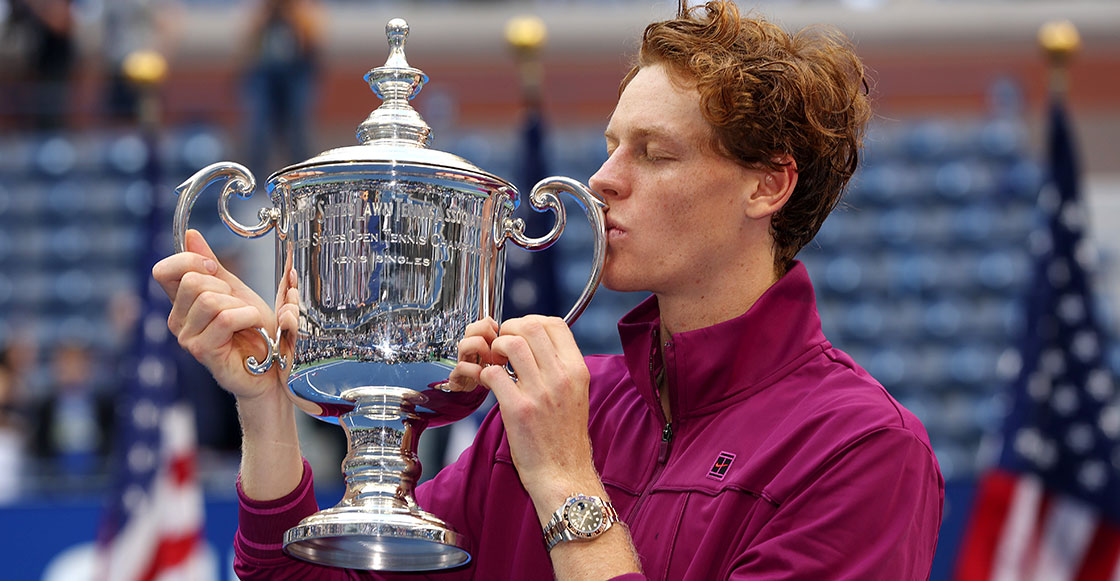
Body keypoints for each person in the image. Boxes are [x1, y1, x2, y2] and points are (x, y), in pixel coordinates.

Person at [153, 2, 944, 579]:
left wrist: (567, 480)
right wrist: (264, 404)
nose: (603, 179)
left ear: (767, 185)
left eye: (655, 153)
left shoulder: (861, 450)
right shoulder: (555, 409)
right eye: (610, 146)